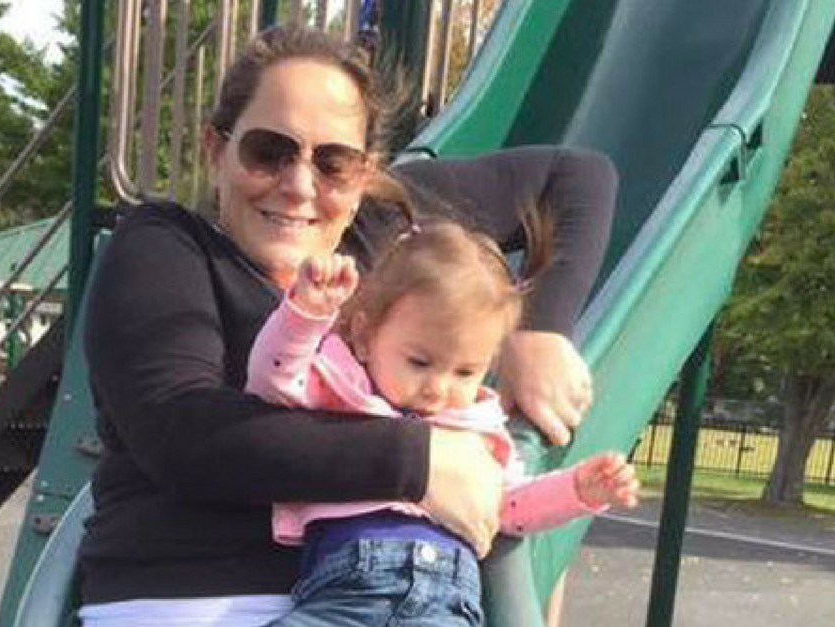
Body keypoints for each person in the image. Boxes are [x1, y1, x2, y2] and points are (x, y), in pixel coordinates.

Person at [79, 25, 616, 627]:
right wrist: (422, 461)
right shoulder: (166, 247)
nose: (299, 185)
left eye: (333, 163)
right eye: (268, 152)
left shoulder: (380, 240)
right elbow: (181, 434)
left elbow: (574, 179)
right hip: (191, 599)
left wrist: (540, 327)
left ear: (365, 174)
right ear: (216, 149)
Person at [245, 223, 639, 625]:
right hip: (344, 598)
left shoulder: (480, 431)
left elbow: (510, 506)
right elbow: (273, 381)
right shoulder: (342, 391)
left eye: (465, 372)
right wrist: (304, 315)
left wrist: (576, 490)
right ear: (364, 337)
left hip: (443, 603)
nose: (438, 388)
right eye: (419, 362)